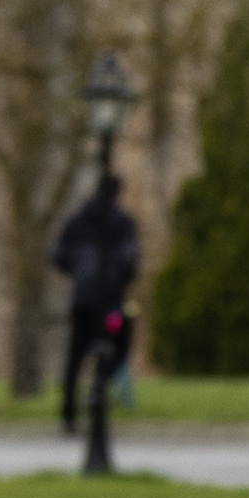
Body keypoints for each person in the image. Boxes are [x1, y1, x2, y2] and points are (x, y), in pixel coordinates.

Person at [49, 168, 141, 449]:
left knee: (76, 354)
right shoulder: (120, 222)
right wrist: (121, 279)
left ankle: (69, 412)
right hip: (110, 302)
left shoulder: (79, 219)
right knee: (118, 341)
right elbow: (129, 257)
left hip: (83, 299)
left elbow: (57, 253)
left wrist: (77, 271)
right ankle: (99, 387)